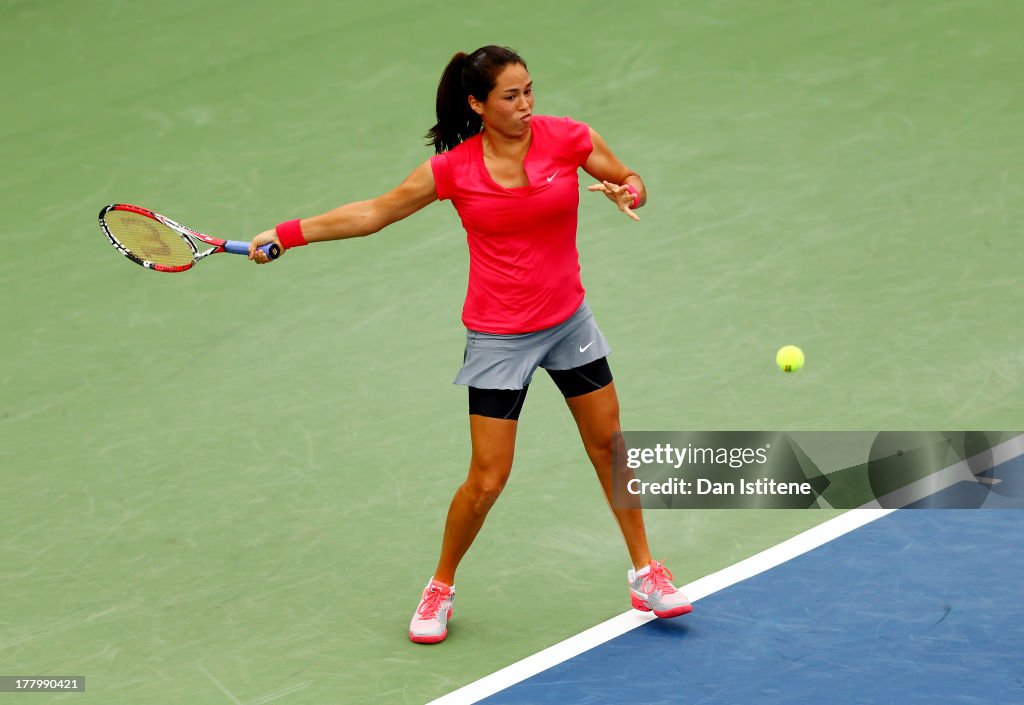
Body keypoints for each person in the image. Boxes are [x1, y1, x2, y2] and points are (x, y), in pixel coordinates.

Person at [249, 45, 692, 644]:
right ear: (478, 105)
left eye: (529, 90)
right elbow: (374, 213)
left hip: (569, 323)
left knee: (611, 447)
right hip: (500, 338)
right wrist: (287, 234)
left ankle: (646, 572)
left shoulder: (571, 139)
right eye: (510, 96)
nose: (526, 105)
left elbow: (629, 177)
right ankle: (440, 586)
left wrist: (629, 192)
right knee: (487, 478)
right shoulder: (452, 170)